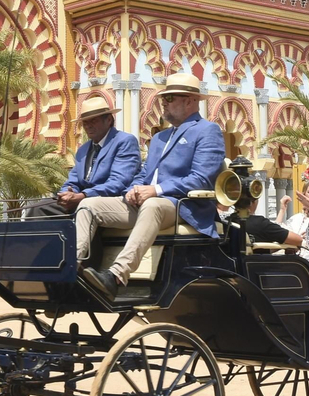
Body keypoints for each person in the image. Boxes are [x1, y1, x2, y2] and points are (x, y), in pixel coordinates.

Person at [79, 73, 226, 298]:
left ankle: (116, 275)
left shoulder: (207, 130)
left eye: (169, 99)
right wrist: (133, 190)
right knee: (89, 205)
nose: (163, 104)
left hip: (183, 206)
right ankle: (74, 269)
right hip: (148, 203)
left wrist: (156, 190)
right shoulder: (159, 138)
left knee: (152, 205)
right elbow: (144, 173)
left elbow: (201, 179)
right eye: (162, 99)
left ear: (190, 101)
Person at [29, 94, 138, 237]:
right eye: (85, 122)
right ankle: (40, 250)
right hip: (81, 200)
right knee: (37, 208)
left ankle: (84, 252)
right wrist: (67, 194)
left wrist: (83, 195)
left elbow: (118, 182)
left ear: (109, 120)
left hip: (109, 202)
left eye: (94, 120)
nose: (88, 125)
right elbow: (73, 181)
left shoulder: (124, 141)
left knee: (86, 208)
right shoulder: (83, 150)